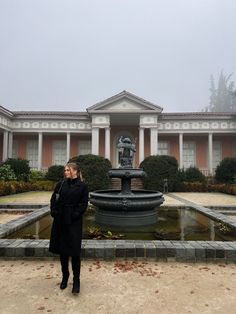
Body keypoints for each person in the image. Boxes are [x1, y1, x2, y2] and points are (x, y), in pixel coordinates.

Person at [49, 162, 88, 294]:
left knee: (75, 253)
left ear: (75, 171)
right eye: (65, 170)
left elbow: (83, 204)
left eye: (68, 170)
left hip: (73, 223)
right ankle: (65, 277)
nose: (65, 172)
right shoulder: (60, 185)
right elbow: (53, 199)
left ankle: (76, 281)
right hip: (60, 221)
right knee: (63, 252)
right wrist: (53, 211)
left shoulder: (82, 186)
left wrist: (75, 215)